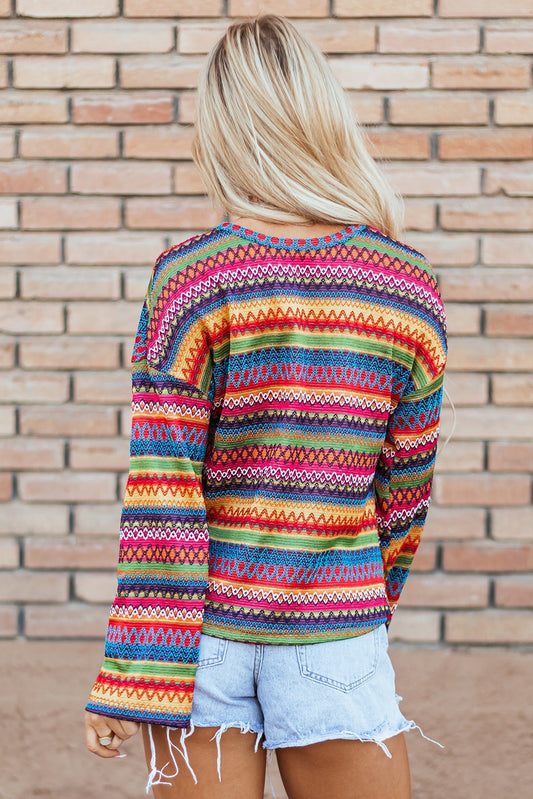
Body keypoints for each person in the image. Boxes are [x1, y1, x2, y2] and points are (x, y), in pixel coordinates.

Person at [84, 14, 447, 799]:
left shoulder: (191, 278)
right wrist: (360, 599)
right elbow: (406, 491)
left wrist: (130, 672)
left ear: (221, 130)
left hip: (202, 635)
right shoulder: (405, 285)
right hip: (336, 622)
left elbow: (163, 490)